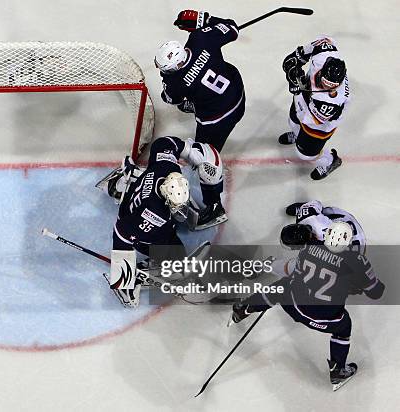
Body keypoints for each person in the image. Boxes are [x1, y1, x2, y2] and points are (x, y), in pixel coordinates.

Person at [232, 222, 385, 391]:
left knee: (281, 287)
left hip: (293, 306)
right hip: (326, 321)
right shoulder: (357, 261)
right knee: (344, 327)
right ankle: (338, 371)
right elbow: (376, 292)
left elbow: (298, 271)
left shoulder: (308, 247)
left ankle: (244, 308)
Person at [96, 136, 224, 307]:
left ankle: (124, 181)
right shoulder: (154, 215)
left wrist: (188, 150)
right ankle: (145, 270)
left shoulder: (167, 169)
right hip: (140, 224)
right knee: (177, 262)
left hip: (139, 193)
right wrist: (122, 275)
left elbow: (164, 143)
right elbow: (121, 233)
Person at [155, 10, 245, 152]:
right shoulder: (200, 38)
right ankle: (196, 103)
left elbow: (172, 99)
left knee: (204, 153)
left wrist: (166, 78)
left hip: (218, 118)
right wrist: (204, 20)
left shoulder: (175, 82)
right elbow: (232, 28)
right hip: (237, 92)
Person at [279, 36, 350, 180]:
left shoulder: (332, 101)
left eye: (330, 86)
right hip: (307, 99)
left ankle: (330, 160)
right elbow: (322, 41)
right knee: (293, 122)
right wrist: (294, 62)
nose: (325, 87)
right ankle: (298, 134)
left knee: (305, 154)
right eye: (324, 82)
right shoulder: (324, 51)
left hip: (320, 124)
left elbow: (309, 118)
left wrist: (296, 85)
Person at [281, 200, 366, 254]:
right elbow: (317, 203)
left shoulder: (326, 245)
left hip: (353, 244)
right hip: (347, 227)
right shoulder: (307, 216)